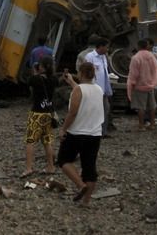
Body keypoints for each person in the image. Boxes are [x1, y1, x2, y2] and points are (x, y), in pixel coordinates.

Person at [57, 62, 105, 205]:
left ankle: (80, 185)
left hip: (77, 132)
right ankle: (86, 201)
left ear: (81, 73)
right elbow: (84, 94)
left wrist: (63, 129)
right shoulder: (98, 89)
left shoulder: (78, 90)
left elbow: (73, 112)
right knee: (89, 166)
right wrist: (72, 82)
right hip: (95, 133)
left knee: (64, 159)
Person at [22, 56, 58, 177]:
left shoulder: (35, 79)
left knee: (30, 141)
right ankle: (51, 166)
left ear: (41, 67)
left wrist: (35, 71)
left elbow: (29, 82)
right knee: (47, 141)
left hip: (37, 113)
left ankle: (28, 168)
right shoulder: (54, 79)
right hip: (48, 113)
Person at [127, 39, 157, 130]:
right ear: (147, 46)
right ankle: (152, 124)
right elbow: (156, 70)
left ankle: (141, 125)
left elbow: (134, 73)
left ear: (138, 47)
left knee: (140, 106)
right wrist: (154, 82)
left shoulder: (136, 58)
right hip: (151, 84)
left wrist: (132, 83)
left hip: (140, 85)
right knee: (152, 105)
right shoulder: (152, 56)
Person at [85, 38, 113, 136]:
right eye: (106, 47)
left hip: (104, 89)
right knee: (95, 111)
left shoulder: (104, 57)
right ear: (100, 46)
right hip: (94, 89)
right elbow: (87, 72)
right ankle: (94, 131)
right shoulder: (90, 56)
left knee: (106, 109)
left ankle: (103, 131)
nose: (107, 49)